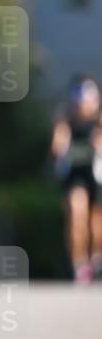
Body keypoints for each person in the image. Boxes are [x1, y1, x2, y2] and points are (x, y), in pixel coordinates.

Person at [51, 75, 102, 283]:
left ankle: (96, 259)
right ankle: (79, 264)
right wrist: (60, 144)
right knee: (76, 213)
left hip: (96, 177)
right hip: (75, 177)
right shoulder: (65, 120)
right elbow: (56, 146)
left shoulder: (98, 121)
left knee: (95, 225)